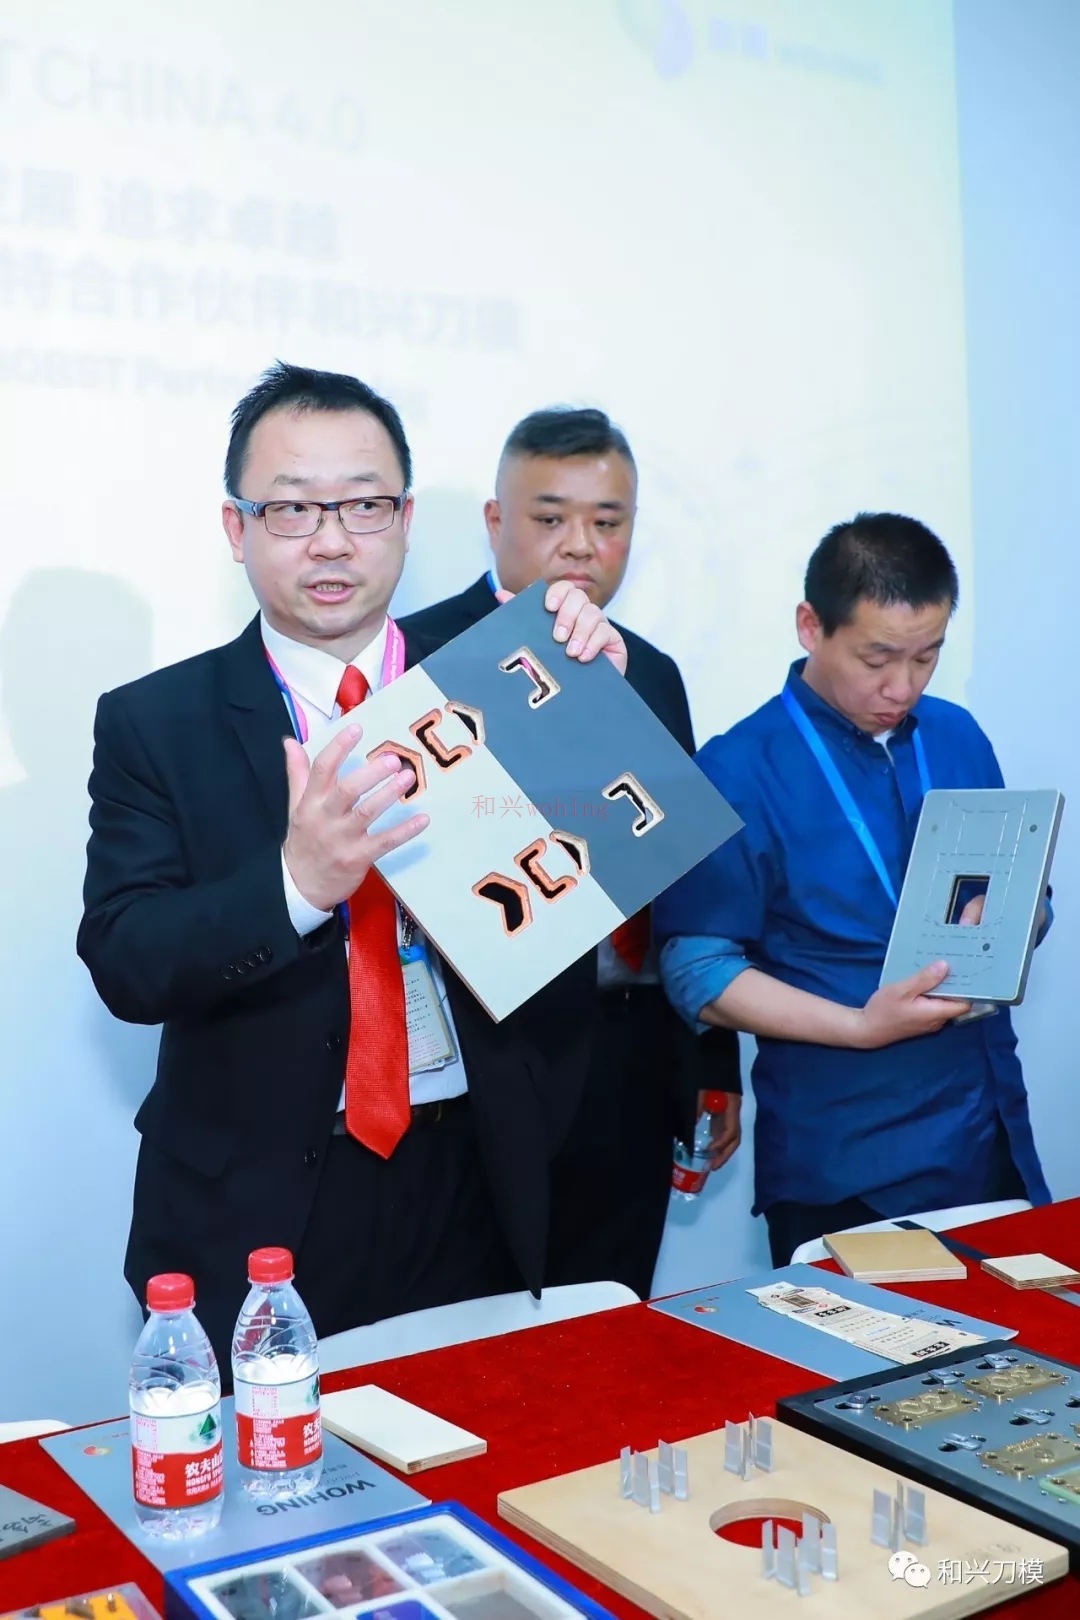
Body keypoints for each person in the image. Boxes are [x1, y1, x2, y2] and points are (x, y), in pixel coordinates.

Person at [77, 363, 630, 1373]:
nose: (331, 541)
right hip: (260, 1202)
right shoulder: (157, 722)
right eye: (292, 509)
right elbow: (127, 959)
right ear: (238, 529)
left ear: (407, 520)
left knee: (487, 1444)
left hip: (476, 1173)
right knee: (265, 1462)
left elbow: (586, 908)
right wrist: (296, 885)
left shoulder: (504, 677)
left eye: (364, 505)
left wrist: (593, 725)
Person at [399, 406, 742, 1300]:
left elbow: (681, 885)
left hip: (634, 1058)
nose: (581, 544)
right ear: (494, 521)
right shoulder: (418, 656)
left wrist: (712, 1063)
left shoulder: (653, 672)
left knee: (615, 1321)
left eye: (608, 521)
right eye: (550, 518)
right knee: (477, 1337)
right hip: (488, 1068)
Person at [654, 512, 1052, 1267]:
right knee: (874, 1346)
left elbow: (1032, 897)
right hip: (847, 1156)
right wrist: (858, 1026)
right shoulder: (737, 770)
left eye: (927, 657)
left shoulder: (958, 735)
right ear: (811, 626)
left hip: (990, 1128)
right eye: (877, 658)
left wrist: (1010, 916)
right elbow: (698, 971)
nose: (902, 687)